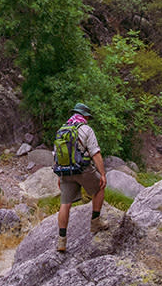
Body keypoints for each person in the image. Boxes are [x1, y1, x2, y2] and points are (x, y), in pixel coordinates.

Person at [55, 102, 108, 252]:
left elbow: (58, 155)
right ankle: (95, 223)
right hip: (82, 170)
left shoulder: (62, 130)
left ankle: (61, 241)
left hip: (65, 172)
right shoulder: (86, 129)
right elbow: (95, 153)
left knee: (65, 204)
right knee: (99, 188)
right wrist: (102, 174)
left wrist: (60, 175)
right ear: (85, 116)